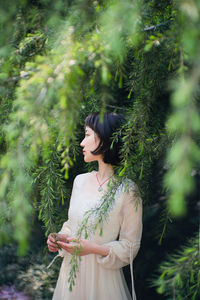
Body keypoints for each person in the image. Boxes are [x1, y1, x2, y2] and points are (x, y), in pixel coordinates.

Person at [47, 112, 143, 300]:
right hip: (71, 278)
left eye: (88, 134)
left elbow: (131, 246)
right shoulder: (80, 181)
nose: (82, 143)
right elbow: (71, 224)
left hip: (104, 282)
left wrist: (93, 248)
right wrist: (60, 238)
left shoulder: (128, 190)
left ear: (106, 138)